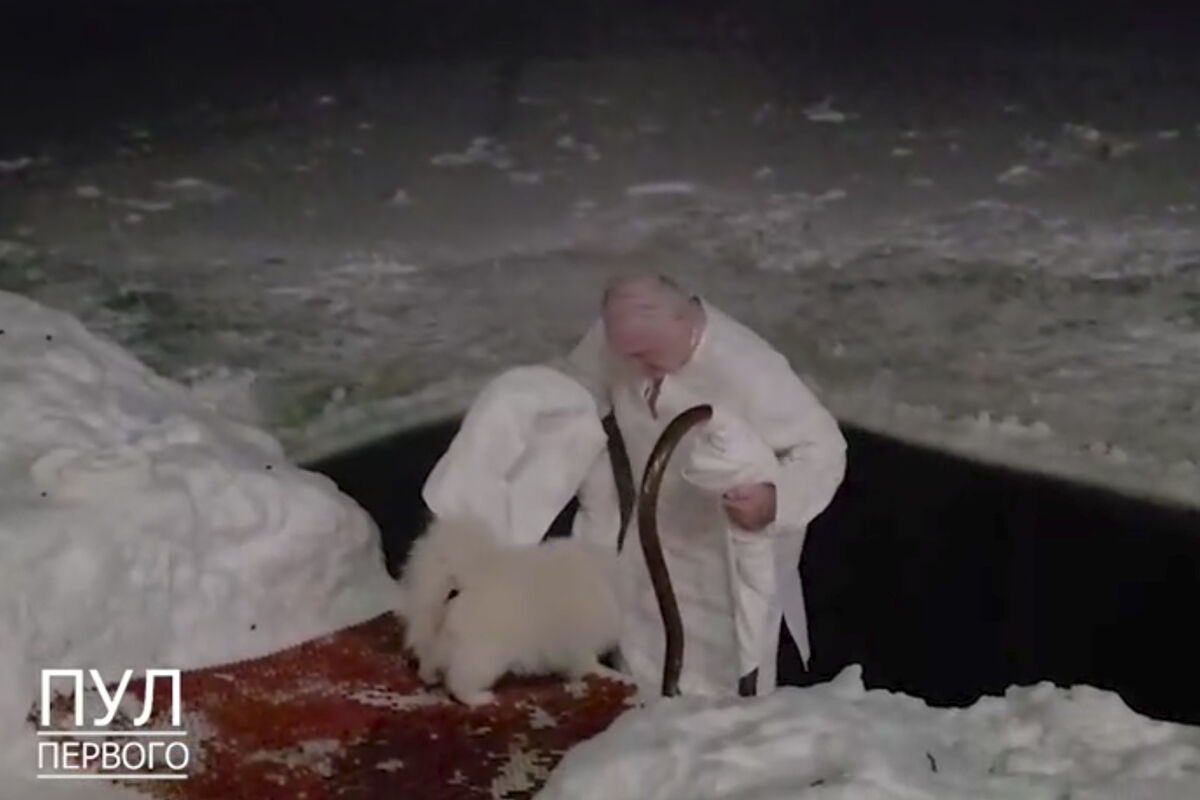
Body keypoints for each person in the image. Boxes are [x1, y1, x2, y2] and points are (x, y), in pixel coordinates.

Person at [559, 274, 847, 698]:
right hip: (650, 539)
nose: (640, 370)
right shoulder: (614, 337)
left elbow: (822, 447)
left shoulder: (749, 370)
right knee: (643, 658)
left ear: (685, 323)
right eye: (631, 357)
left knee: (723, 680)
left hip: (724, 556)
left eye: (651, 357)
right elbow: (577, 389)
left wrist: (773, 502)